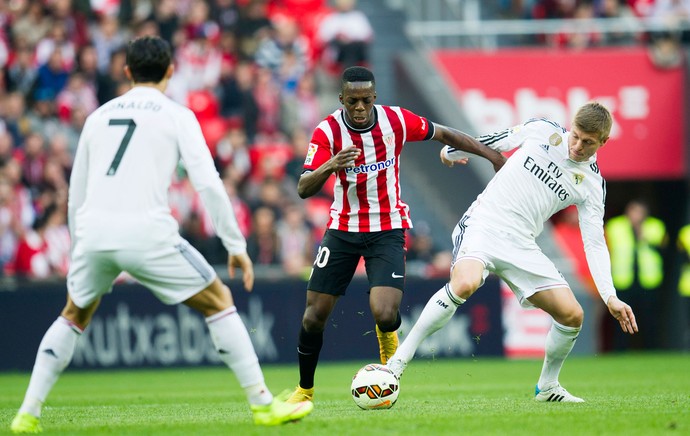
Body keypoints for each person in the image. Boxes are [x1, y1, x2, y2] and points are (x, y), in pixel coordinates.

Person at [10, 36, 313, 434]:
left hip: (94, 233)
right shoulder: (176, 115)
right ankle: (262, 405)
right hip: (146, 231)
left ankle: (27, 415)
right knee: (220, 300)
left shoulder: (97, 117)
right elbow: (208, 184)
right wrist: (235, 245)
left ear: (126, 72)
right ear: (171, 70)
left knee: (73, 314)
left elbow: (75, 194)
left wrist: (78, 243)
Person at [386, 102, 639, 403]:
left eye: (588, 142)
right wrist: (453, 151)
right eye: (576, 136)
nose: (577, 146)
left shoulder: (592, 185)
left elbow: (594, 242)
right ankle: (396, 364)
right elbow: (495, 140)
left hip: (522, 244)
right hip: (485, 223)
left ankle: (547, 387)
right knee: (465, 284)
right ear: (571, 126)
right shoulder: (543, 131)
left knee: (572, 315)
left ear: (603, 143)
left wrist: (610, 295)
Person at [284, 65, 506, 404]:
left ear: (374, 97)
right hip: (342, 230)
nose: (359, 108)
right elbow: (303, 187)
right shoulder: (327, 131)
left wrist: (490, 155)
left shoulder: (396, 121)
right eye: (352, 102)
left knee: (385, 313)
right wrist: (331, 165)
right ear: (341, 99)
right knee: (314, 316)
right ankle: (304, 391)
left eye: (365, 101)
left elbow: (444, 133)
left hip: (387, 229)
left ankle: (389, 371)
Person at [605, 199, 667, 350]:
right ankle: (620, 351)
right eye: (633, 211)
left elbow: (665, 249)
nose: (636, 215)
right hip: (623, 280)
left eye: (639, 212)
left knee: (649, 319)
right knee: (621, 318)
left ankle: (651, 350)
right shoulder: (615, 226)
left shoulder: (655, 226)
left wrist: (644, 237)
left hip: (648, 281)